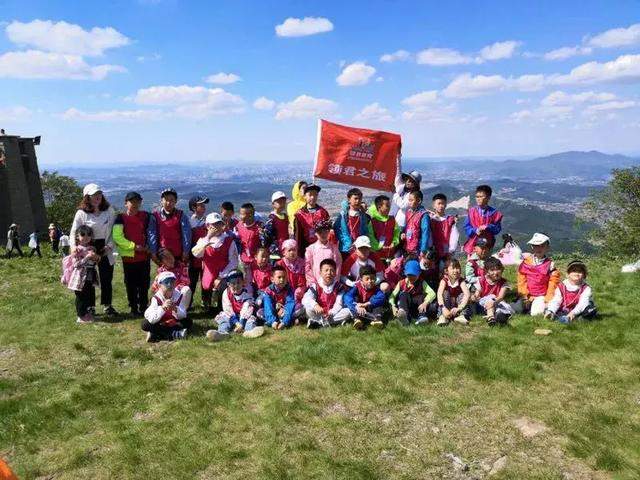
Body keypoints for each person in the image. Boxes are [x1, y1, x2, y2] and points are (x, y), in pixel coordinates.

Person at [70, 183, 118, 316]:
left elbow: (115, 231)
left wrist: (110, 245)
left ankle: (107, 305)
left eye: (99, 194)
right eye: (94, 195)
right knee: (88, 278)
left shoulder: (109, 210)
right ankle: (90, 305)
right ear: (87, 197)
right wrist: (74, 247)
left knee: (106, 277)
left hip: (105, 246)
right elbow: (74, 232)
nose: (97, 197)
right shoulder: (81, 213)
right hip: (88, 247)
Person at [113, 191, 151, 316]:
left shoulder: (146, 216)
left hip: (144, 257)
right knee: (131, 284)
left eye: (137, 201)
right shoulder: (120, 218)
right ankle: (133, 308)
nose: (135, 204)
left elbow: (152, 232)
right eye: (132, 201)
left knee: (144, 283)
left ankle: (143, 306)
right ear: (126, 203)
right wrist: (134, 247)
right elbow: (117, 237)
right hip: (129, 257)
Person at [191, 212, 238, 311]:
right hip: (209, 272)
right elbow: (196, 254)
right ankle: (207, 304)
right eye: (214, 224)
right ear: (207, 226)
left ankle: (222, 307)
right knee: (207, 286)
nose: (217, 227)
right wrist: (208, 237)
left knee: (223, 286)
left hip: (224, 272)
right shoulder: (203, 240)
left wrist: (221, 276)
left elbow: (233, 262)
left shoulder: (229, 240)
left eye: (219, 224)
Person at [206, 270, 264, 341]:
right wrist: (236, 323)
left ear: (243, 282)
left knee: (250, 320)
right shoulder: (226, 293)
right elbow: (228, 308)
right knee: (224, 320)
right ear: (228, 284)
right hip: (232, 315)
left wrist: (241, 323)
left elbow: (246, 309)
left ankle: (249, 331)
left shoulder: (247, 293)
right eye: (233, 283)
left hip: (244, 316)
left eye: (238, 282)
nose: (236, 285)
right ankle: (222, 333)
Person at [514, 233, 560, 316]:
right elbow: (521, 282)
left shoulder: (551, 265)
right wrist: (525, 297)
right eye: (535, 245)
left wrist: (547, 300)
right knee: (515, 309)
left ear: (547, 247)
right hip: (527, 295)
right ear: (532, 247)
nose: (538, 248)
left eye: (542, 245)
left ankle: (534, 308)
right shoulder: (525, 263)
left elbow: (553, 284)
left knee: (536, 313)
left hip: (541, 295)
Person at [148, 188, 192, 269]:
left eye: (171, 200)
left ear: (175, 202)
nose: (168, 203)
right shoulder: (155, 216)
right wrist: (153, 253)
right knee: (165, 279)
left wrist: (186, 251)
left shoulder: (181, 215)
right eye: (166, 199)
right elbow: (152, 235)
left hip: (179, 254)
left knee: (180, 279)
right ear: (161, 201)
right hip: (163, 255)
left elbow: (186, 234)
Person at [142, 271, 192, 342]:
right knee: (145, 324)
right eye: (166, 282)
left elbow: (183, 314)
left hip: (173, 321)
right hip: (160, 321)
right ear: (159, 286)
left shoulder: (178, 295)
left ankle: (156, 335)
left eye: (172, 282)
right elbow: (152, 319)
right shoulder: (156, 298)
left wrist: (175, 309)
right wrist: (163, 308)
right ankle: (174, 334)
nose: (170, 285)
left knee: (188, 321)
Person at [303, 258, 350, 328]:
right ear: (320, 273)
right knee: (308, 309)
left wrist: (331, 312)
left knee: (347, 311)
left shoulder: (339, 287)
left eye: (332, 270)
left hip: (332, 314)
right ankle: (326, 322)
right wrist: (315, 305)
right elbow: (306, 299)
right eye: (326, 270)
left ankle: (318, 322)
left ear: (335, 273)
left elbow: (339, 304)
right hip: (319, 312)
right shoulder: (315, 285)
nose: (329, 273)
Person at [67, 225, 100, 324]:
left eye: (89, 234)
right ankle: (80, 316)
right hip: (79, 277)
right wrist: (87, 257)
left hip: (89, 276)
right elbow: (76, 264)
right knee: (80, 297)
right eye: (83, 234)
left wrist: (95, 257)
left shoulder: (91, 248)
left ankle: (86, 313)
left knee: (88, 295)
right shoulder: (76, 249)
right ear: (77, 236)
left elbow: (95, 262)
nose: (86, 237)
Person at [389, 259, 437, 326]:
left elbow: (432, 293)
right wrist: (393, 306)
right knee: (403, 294)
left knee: (421, 296)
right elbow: (392, 296)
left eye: (414, 275)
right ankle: (404, 316)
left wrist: (425, 303)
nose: (411, 277)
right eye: (409, 275)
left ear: (419, 273)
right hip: (406, 306)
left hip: (418, 306)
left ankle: (422, 316)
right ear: (406, 274)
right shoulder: (401, 283)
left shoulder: (422, 282)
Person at [471, 257, 514, 326]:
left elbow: (500, 297)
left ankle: (500, 317)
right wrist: (474, 297)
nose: (496, 272)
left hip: (496, 302)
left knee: (501, 307)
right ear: (487, 272)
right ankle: (491, 317)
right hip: (483, 305)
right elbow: (477, 293)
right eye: (492, 270)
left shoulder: (503, 283)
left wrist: (494, 302)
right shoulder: (481, 280)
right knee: (490, 297)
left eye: (498, 269)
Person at [343, 265, 387, 330]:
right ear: (361, 280)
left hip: (370, 308)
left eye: (372, 278)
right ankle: (357, 320)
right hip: (358, 309)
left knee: (378, 305)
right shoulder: (357, 287)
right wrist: (356, 305)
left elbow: (382, 297)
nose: (370, 281)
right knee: (352, 301)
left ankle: (377, 320)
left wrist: (367, 304)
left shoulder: (376, 289)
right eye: (367, 279)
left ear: (375, 278)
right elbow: (347, 297)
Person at [463, 185, 503, 255]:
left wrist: (488, 227)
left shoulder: (494, 213)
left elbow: (497, 229)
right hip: (473, 244)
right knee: (472, 264)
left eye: (481, 197)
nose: (478, 199)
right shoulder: (471, 211)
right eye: (477, 197)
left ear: (488, 198)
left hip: (488, 244)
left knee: (485, 264)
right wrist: (475, 230)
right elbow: (467, 227)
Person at [293, 184, 330, 258]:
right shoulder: (300, 215)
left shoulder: (323, 212)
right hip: (305, 248)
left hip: (321, 247)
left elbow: (328, 231)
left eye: (315, 195)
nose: (313, 197)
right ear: (305, 196)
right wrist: (298, 252)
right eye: (310, 195)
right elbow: (297, 235)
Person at [187, 194, 210, 310]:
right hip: (193, 258)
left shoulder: (208, 221)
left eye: (203, 204)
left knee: (206, 281)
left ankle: (206, 302)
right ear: (194, 207)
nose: (203, 207)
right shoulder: (189, 222)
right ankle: (187, 303)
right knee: (191, 282)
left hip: (207, 258)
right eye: (200, 205)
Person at [334, 188, 370, 257]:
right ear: (349, 199)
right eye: (355, 198)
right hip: (346, 248)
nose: (358, 201)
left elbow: (365, 231)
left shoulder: (362, 215)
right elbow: (338, 231)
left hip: (360, 248)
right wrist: (347, 242)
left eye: (360, 199)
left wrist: (362, 242)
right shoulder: (343, 215)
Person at [260, 265, 299, 330]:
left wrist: (284, 322)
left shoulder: (289, 289)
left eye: (284, 277)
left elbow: (290, 305)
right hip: (274, 311)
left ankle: (284, 320)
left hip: (284, 311)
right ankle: (274, 321)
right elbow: (268, 306)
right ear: (272, 279)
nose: (282, 280)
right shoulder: (268, 291)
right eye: (279, 277)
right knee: (259, 312)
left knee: (299, 307)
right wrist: (273, 322)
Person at [305, 220, 342, 286]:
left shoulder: (334, 248)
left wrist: (334, 281)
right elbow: (307, 268)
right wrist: (313, 282)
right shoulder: (311, 249)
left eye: (325, 231)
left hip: (331, 282)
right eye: (320, 232)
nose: (323, 234)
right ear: (316, 233)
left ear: (329, 232)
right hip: (315, 283)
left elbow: (338, 265)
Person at [436, 258, 472, 326]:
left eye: (457, 268)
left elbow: (467, 294)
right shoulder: (444, 280)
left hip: (458, 307)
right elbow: (439, 294)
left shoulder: (461, 281)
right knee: (445, 293)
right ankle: (442, 316)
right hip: (446, 307)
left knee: (462, 294)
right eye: (453, 268)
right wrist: (443, 308)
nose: (455, 270)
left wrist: (460, 308)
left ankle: (462, 316)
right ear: (446, 271)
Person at [235, 202, 263, 285]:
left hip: (256, 262)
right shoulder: (238, 226)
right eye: (240, 214)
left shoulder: (259, 227)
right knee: (245, 284)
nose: (240, 216)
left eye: (242, 214)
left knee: (257, 284)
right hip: (243, 262)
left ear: (250, 214)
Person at [367, 195, 400, 262]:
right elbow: (371, 237)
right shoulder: (373, 221)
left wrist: (394, 243)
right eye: (387, 206)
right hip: (377, 256)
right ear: (379, 207)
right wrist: (380, 247)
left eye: (389, 206)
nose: (389, 208)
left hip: (391, 254)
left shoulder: (392, 219)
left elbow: (396, 233)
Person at [429, 193, 459, 267]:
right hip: (433, 251)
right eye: (438, 203)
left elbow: (454, 236)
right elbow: (428, 234)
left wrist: (451, 250)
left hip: (446, 252)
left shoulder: (450, 220)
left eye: (443, 204)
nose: (441, 206)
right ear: (434, 205)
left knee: (444, 269)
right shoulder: (431, 219)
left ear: (446, 205)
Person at [402, 190, 430, 258]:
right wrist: (403, 233)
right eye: (409, 200)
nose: (409, 202)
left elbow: (425, 233)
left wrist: (423, 250)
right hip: (407, 246)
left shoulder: (423, 215)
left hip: (418, 249)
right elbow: (406, 227)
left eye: (411, 200)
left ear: (419, 201)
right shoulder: (408, 212)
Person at [264, 191, 290, 259]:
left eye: (283, 202)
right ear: (273, 204)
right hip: (275, 253)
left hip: (285, 250)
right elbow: (267, 237)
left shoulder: (285, 217)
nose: (282, 204)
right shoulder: (271, 219)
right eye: (279, 202)